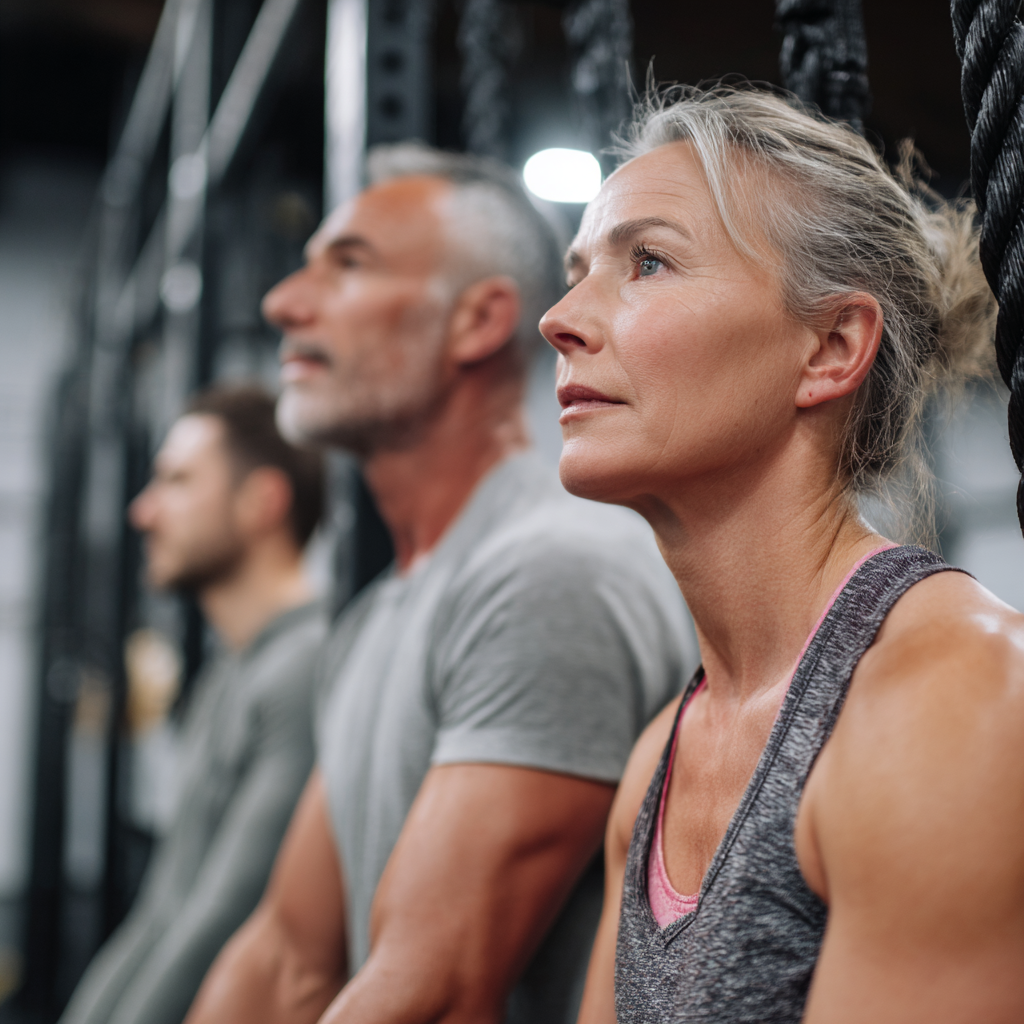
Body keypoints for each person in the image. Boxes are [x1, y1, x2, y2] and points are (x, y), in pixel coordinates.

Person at [540, 84, 1024, 1024]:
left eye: (647, 262)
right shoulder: (659, 763)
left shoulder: (957, 704)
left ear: (831, 348)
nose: (561, 316)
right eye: (577, 267)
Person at [185, 144, 696, 1024]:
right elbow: (285, 955)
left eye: (347, 265)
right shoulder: (379, 614)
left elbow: (427, 993)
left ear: (477, 321)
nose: (283, 303)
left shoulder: (547, 575)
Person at [60, 386, 328, 1024]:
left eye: (177, 481)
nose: (143, 512)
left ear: (263, 501)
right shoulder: (233, 673)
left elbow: (221, 923)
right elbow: (164, 910)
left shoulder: (304, 669)